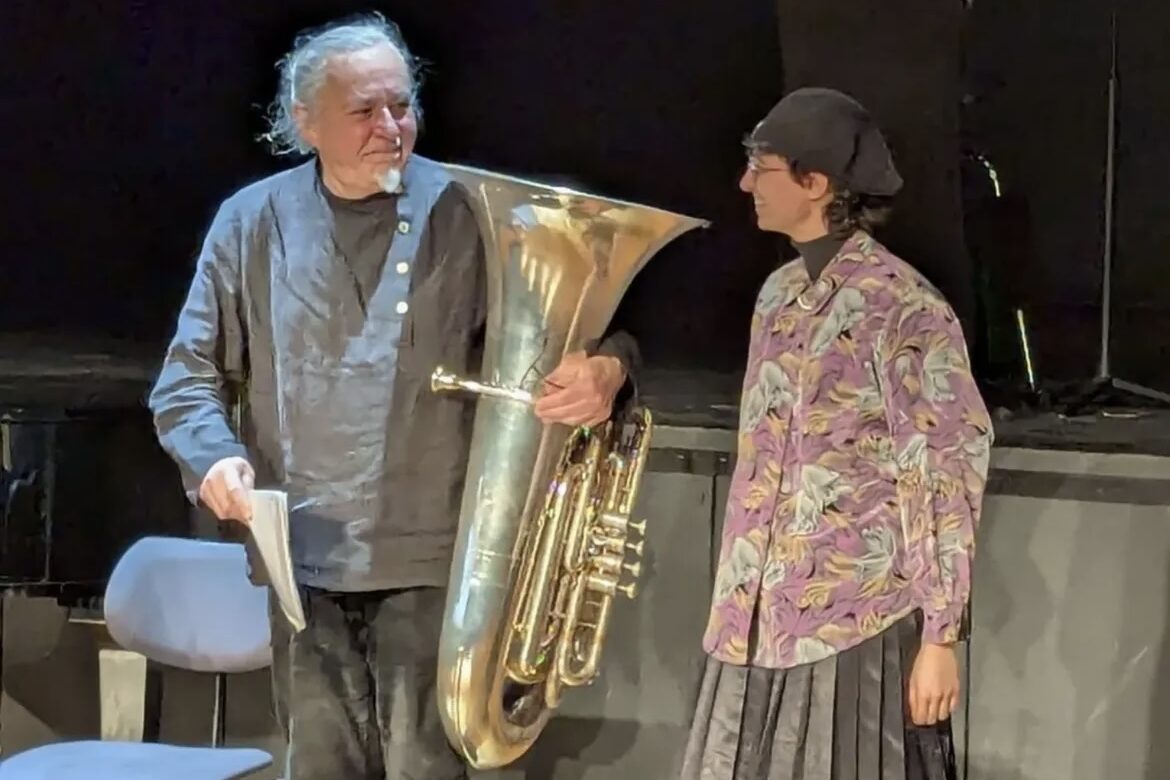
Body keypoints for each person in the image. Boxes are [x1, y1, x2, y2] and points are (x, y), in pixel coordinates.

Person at [147, 13, 637, 780]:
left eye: (401, 105)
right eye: (363, 110)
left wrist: (608, 369)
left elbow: (594, 339)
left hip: (438, 562)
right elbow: (185, 381)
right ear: (305, 122)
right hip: (302, 563)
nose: (390, 127)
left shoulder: (475, 212)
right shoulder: (250, 222)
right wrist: (213, 458)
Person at [681, 87, 993, 780]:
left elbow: (942, 467)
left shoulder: (902, 306)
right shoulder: (777, 295)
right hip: (753, 623)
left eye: (760, 167)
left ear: (814, 182)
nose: (745, 184)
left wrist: (940, 635)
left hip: (852, 625)